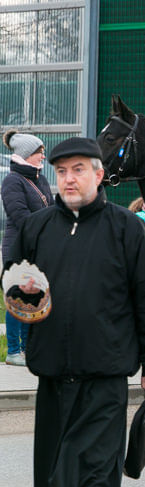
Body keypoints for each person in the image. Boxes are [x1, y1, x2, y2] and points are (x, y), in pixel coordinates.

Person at [4, 137, 145, 487]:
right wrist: (23, 294)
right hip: (52, 377)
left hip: (104, 379)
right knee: (52, 482)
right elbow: (13, 281)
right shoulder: (36, 227)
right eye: (61, 171)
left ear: (98, 174)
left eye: (78, 170)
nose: (68, 178)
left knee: (95, 480)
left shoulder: (128, 229)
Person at [1, 130, 52, 367]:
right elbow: (19, 215)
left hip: (39, 245)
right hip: (18, 246)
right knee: (18, 295)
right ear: (26, 154)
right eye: (39, 152)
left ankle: (28, 347)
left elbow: (50, 208)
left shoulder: (39, 179)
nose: (43, 156)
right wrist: (47, 228)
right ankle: (13, 351)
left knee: (34, 296)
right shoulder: (12, 180)